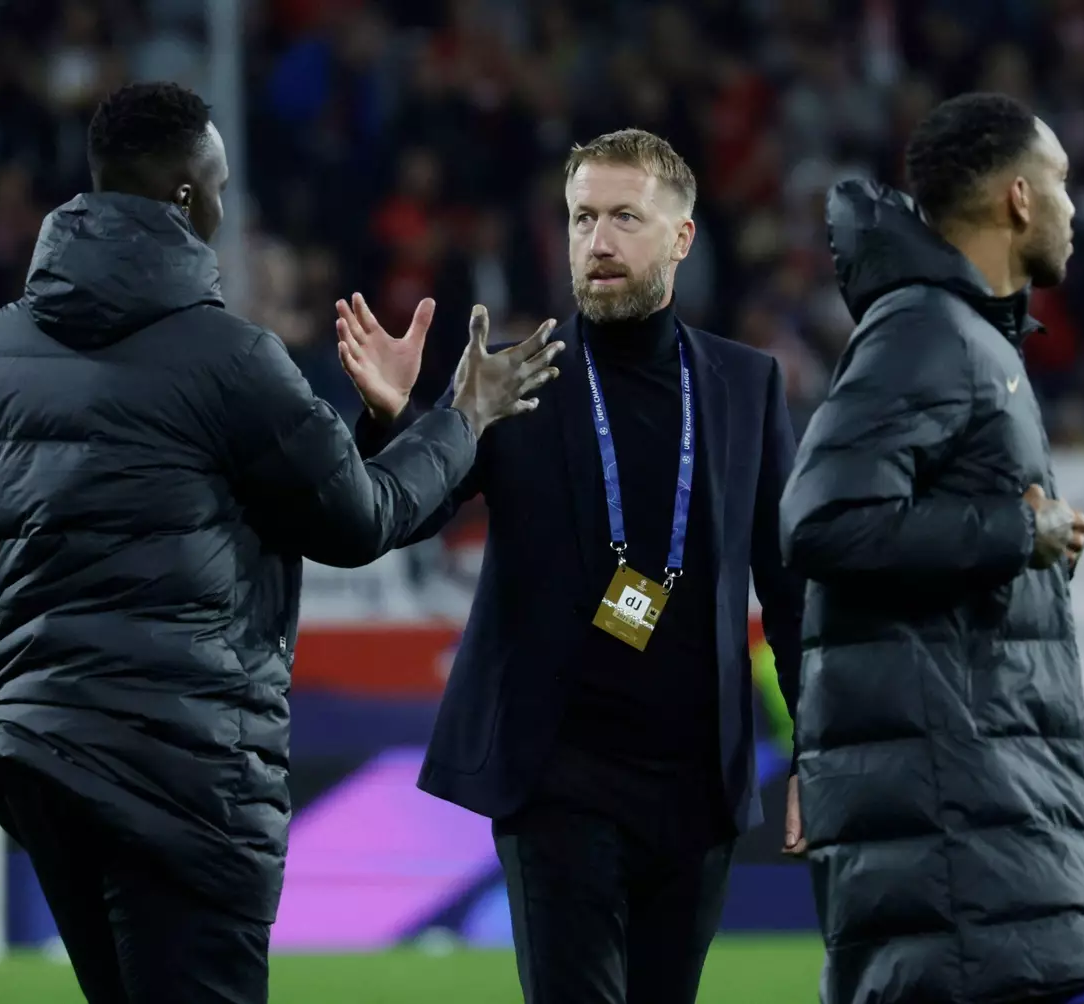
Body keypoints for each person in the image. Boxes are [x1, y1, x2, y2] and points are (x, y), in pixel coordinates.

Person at [0, 82, 561, 1004]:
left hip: (42, 761)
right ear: (185, 196)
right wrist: (462, 417)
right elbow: (362, 523)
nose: (224, 205)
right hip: (187, 772)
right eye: (217, 183)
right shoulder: (231, 360)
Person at [336, 128, 804, 1004]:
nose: (598, 240)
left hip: (695, 786)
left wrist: (814, 751)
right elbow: (403, 516)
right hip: (556, 779)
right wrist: (402, 418)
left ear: (682, 236)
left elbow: (791, 590)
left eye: (626, 216)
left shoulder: (748, 386)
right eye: (582, 217)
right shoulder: (513, 378)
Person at [779, 93, 1084, 1004]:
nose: (1074, 209)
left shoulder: (970, 339)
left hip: (990, 856)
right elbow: (821, 520)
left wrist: (1020, 549)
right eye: (1061, 184)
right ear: (1017, 198)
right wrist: (1016, 531)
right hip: (967, 880)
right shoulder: (927, 330)